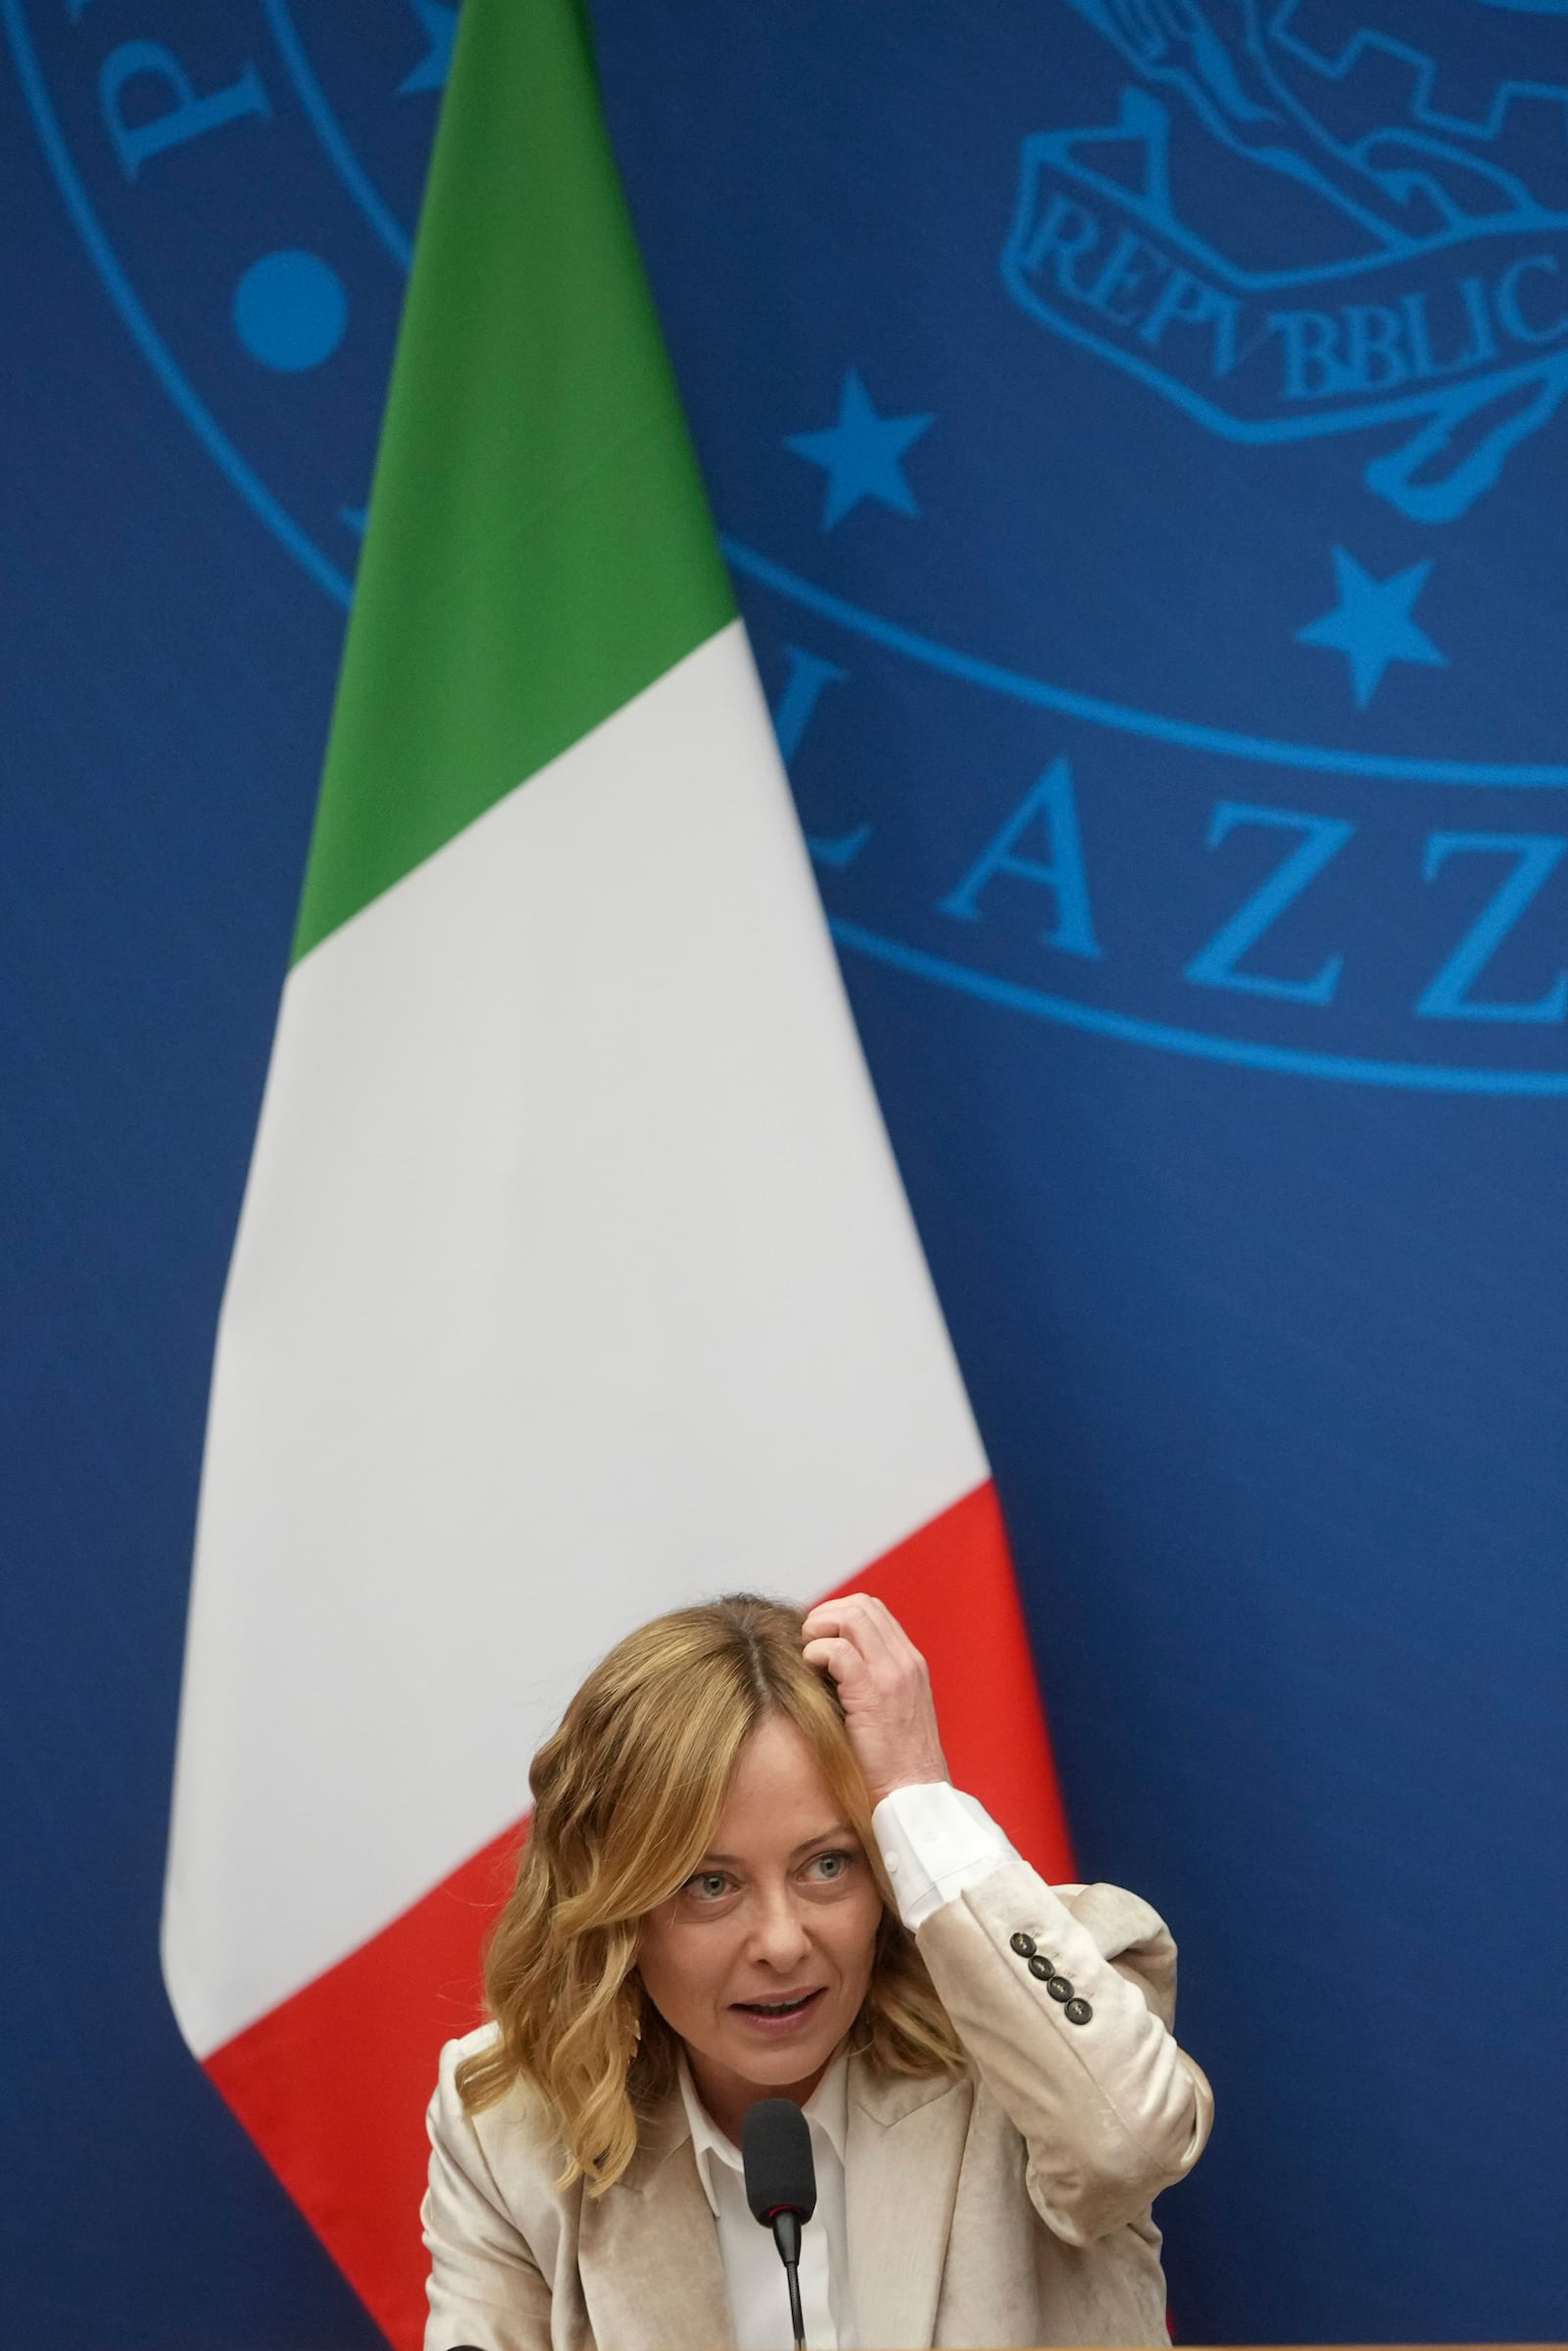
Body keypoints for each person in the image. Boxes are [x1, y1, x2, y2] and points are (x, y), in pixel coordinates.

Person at [422, 1592, 1213, 2351]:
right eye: (710, 1884)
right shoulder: (504, 2125)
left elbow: (1127, 2149)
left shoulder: (1034, 2005)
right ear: (618, 1916)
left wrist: (913, 1793)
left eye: (828, 1864)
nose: (782, 1942)